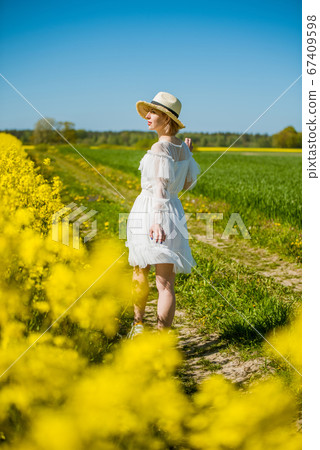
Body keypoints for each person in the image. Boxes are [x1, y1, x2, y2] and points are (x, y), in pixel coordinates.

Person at [125, 91, 201, 339]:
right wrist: (186, 156)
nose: (147, 116)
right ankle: (161, 343)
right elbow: (187, 184)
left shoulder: (159, 147)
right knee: (166, 284)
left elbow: (158, 186)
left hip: (151, 212)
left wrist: (156, 221)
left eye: (153, 112)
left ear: (166, 119)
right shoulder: (183, 148)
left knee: (140, 270)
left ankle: (138, 326)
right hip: (173, 210)